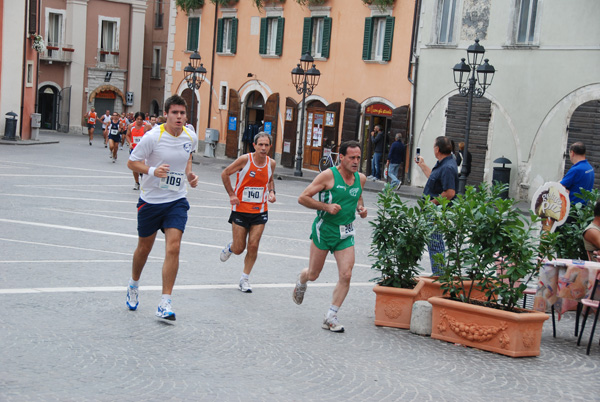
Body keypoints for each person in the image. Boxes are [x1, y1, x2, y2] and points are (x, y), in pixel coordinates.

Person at [125, 95, 199, 321]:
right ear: (166, 114)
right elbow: (132, 162)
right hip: (150, 201)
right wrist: (151, 171)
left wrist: (189, 175)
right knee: (143, 249)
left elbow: (187, 157)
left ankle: (165, 302)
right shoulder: (152, 137)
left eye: (182, 113)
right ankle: (134, 284)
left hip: (176, 200)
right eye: (175, 113)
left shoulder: (190, 136)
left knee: (173, 247)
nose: (179, 117)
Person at [292, 140, 368, 333]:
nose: (355, 161)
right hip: (324, 229)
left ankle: (330, 316)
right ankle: (302, 279)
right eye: (352, 157)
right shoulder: (328, 176)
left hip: (346, 232)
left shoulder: (361, 178)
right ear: (341, 157)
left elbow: (358, 195)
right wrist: (326, 207)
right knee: (314, 274)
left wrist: (360, 208)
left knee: (346, 274)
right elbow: (303, 197)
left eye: (358, 157)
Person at [219, 132, 277, 293]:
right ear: (254, 145)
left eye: (266, 145)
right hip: (240, 209)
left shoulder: (271, 163)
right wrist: (231, 194)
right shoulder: (245, 160)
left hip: (260, 210)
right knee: (239, 248)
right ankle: (230, 248)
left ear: (270, 147)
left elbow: (270, 179)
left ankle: (244, 279)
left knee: (253, 245)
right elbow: (225, 173)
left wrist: (272, 193)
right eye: (260, 145)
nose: (263, 148)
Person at [415, 136, 459, 275]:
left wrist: (431, 203)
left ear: (437, 149)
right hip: (432, 210)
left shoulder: (448, 167)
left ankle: (439, 275)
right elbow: (435, 180)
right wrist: (422, 165)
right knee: (431, 242)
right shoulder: (443, 164)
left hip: (436, 212)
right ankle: (438, 274)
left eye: (434, 146)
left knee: (436, 244)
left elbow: (450, 192)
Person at [561, 142, 595, 206]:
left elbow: (560, 187)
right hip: (584, 208)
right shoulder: (589, 168)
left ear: (572, 153)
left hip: (573, 209)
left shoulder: (576, 170)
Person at [125, 112, 152, 190]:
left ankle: (144, 180)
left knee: (143, 166)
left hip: (144, 150)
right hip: (134, 149)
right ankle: (136, 182)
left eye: (141, 119)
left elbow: (152, 136)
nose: (139, 121)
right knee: (134, 167)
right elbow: (127, 135)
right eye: (138, 119)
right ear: (135, 119)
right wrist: (130, 143)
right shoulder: (131, 126)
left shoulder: (147, 126)